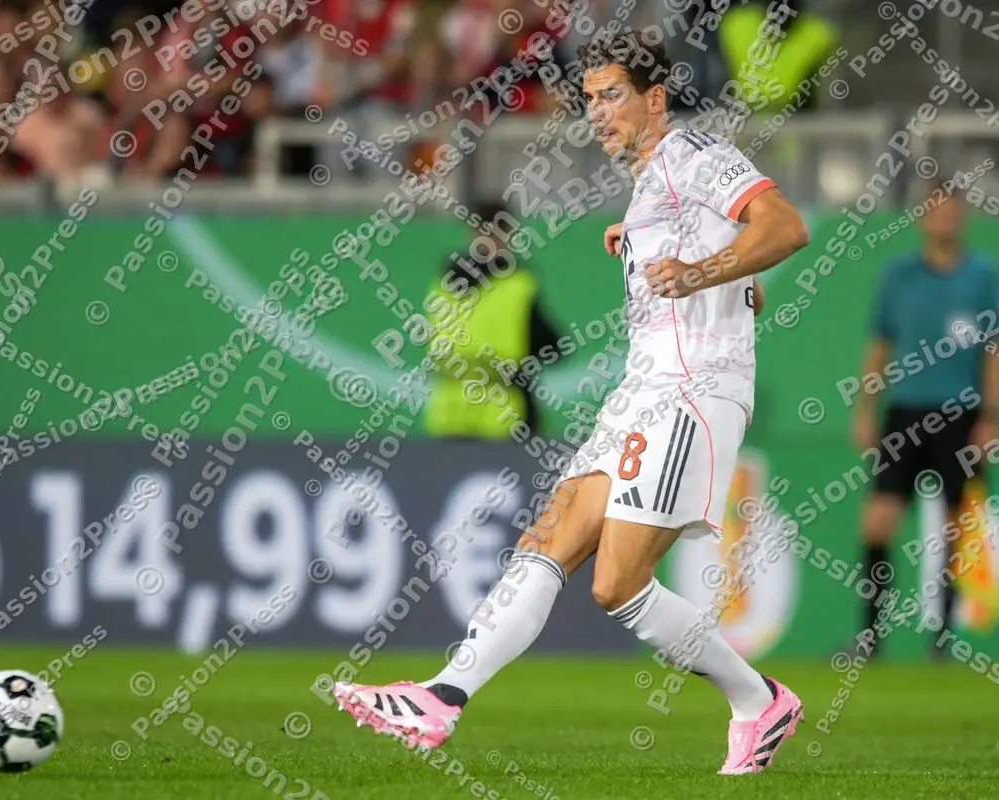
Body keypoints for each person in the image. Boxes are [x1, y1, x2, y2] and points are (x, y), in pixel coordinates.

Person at [333, 30, 809, 775]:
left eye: (612, 94)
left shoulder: (693, 153)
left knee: (617, 584)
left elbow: (784, 226)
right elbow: (725, 262)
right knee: (546, 539)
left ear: (655, 98)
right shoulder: (655, 183)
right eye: (588, 99)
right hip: (640, 393)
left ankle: (757, 699)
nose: (597, 111)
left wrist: (700, 269)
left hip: (689, 393)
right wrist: (654, 244)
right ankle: (444, 694)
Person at [850, 179, 999, 660]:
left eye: (953, 211)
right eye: (937, 211)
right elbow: (880, 345)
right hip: (906, 410)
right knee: (878, 522)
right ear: (923, 217)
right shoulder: (899, 276)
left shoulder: (984, 276)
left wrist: (991, 418)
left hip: (962, 413)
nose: (946, 219)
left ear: (962, 217)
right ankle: (871, 637)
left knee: (953, 528)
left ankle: (941, 639)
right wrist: (865, 409)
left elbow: (996, 350)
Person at [423, 201, 565, 439]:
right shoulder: (519, 283)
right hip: (503, 411)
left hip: (451, 409)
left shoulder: (442, 283)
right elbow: (548, 343)